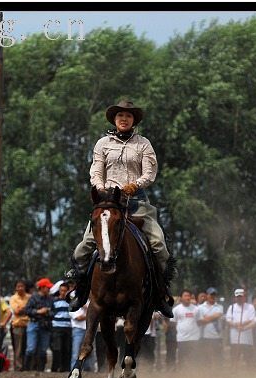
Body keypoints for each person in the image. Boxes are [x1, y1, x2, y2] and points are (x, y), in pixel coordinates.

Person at [65, 99, 176, 318]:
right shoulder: (102, 144)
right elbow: (96, 170)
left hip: (137, 202)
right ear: (115, 120)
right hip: (108, 202)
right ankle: (80, 291)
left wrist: (135, 184)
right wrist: (100, 188)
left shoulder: (144, 144)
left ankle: (161, 293)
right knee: (84, 247)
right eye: (120, 116)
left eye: (128, 116)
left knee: (159, 244)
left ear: (133, 120)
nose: (124, 119)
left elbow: (150, 173)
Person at [24, 278, 55, 372]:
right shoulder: (33, 297)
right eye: (47, 287)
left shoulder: (50, 299)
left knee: (43, 350)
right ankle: (26, 370)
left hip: (45, 325)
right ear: (41, 288)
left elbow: (54, 312)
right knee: (31, 349)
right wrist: (39, 311)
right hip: (34, 323)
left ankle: (41, 370)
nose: (49, 289)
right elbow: (27, 311)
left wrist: (47, 312)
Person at [225, 288, 256, 370]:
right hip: (235, 339)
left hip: (247, 339)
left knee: (249, 360)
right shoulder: (231, 307)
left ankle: (250, 376)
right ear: (235, 298)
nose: (239, 298)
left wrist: (242, 324)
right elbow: (228, 319)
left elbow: (252, 319)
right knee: (235, 359)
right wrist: (235, 324)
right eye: (237, 297)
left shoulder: (250, 307)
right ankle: (234, 375)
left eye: (241, 296)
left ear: (244, 297)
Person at [171, 290, 201, 368]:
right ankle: (182, 376)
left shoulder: (196, 309)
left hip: (194, 338)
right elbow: (173, 323)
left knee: (194, 359)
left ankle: (194, 375)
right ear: (181, 298)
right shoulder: (176, 309)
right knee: (182, 360)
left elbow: (199, 321)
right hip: (182, 339)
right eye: (185, 295)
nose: (188, 297)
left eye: (189, 296)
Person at [197, 287, 224, 367]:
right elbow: (200, 321)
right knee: (205, 358)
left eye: (214, 295)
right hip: (204, 336)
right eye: (211, 294)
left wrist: (206, 317)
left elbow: (218, 315)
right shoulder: (200, 307)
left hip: (217, 336)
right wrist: (213, 316)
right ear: (207, 295)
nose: (213, 296)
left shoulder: (219, 307)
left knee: (217, 357)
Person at [49, 281, 73, 372]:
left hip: (68, 327)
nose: (63, 292)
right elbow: (51, 312)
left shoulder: (71, 301)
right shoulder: (54, 301)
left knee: (66, 348)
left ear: (68, 291)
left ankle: (65, 368)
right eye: (61, 290)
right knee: (57, 348)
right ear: (59, 291)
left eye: (65, 291)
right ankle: (55, 368)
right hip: (57, 327)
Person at [8, 280, 31, 371]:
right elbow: (16, 311)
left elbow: (30, 309)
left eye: (22, 286)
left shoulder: (30, 297)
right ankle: (18, 367)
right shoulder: (13, 298)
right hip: (18, 325)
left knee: (28, 347)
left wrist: (24, 309)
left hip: (29, 325)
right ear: (15, 288)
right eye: (18, 286)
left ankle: (27, 366)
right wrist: (27, 309)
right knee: (18, 348)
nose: (20, 288)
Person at [69, 300, 97, 372]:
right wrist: (89, 313)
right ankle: (74, 370)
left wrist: (87, 310)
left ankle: (89, 370)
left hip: (89, 330)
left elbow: (96, 314)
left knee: (90, 352)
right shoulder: (73, 303)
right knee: (76, 351)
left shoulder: (90, 302)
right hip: (78, 330)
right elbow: (78, 318)